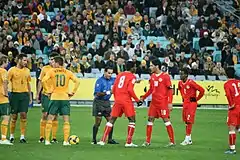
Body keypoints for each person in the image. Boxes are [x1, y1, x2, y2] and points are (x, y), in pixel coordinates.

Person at [97, 61, 143, 147]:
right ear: (132, 68)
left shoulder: (119, 75)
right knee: (132, 120)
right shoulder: (132, 76)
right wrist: (137, 100)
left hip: (117, 100)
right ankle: (129, 142)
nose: (136, 68)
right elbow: (130, 90)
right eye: (135, 67)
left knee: (111, 120)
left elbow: (114, 88)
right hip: (126, 101)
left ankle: (102, 140)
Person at [42, 56, 80, 146]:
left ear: (58, 63)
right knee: (66, 120)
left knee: (50, 118)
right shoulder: (68, 72)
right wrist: (72, 92)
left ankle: (47, 140)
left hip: (54, 97)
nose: (52, 64)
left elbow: (43, 80)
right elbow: (77, 81)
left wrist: (47, 91)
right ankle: (66, 141)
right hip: (65, 98)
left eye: (54, 62)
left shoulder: (51, 71)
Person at [140, 59, 175, 147]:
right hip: (154, 103)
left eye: (151, 65)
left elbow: (170, 90)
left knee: (166, 120)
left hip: (162, 103)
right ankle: (147, 141)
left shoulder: (165, 77)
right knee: (150, 119)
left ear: (157, 66)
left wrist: (170, 102)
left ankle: (172, 141)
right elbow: (151, 89)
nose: (150, 67)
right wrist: (144, 97)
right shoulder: (152, 76)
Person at [8, 54, 32, 143]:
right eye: (24, 60)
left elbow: (28, 84)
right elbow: (6, 82)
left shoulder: (27, 71)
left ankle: (22, 136)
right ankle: (11, 135)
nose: (26, 62)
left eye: (26, 60)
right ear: (19, 60)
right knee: (14, 116)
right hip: (15, 95)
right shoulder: (12, 70)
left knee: (23, 115)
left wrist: (30, 96)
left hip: (24, 95)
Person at [36, 52, 59, 143]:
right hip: (46, 95)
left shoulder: (59, 70)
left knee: (55, 116)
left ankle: (53, 137)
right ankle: (42, 136)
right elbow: (40, 82)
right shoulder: (45, 69)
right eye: (50, 59)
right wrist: (38, 94)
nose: (51, 61)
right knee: (45, 114)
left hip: (56, 95)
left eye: (53, 59)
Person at [92, 66, 118, 144]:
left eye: (111, 73)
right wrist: (108, 92)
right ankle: (94, 139)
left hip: (107, 102)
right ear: (104, 72)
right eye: (108, 73)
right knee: (98, 122)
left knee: (111, 121)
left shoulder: (113, 80)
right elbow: (97, 94)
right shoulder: (99, 81)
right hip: (99, 102)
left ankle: (110, 139)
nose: (110, 75)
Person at [178, 68, 205, 145]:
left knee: (189, 121)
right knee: (186, 121)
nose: (180, 75)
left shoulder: (191, 82)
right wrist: (183, 97)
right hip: (185, 103)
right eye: (180, 74)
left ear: (186, 75)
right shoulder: (180, 83)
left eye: (182, 74)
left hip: (191, 103)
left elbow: (202, 90)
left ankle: (187, 138)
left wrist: (196, 99)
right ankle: (189, 139)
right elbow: (180, 89)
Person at [224, 67, 240, 154]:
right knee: (238, 127)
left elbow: (229, 95)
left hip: (234, 109)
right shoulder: (238, 82)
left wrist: (231, 105)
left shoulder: (227, 84)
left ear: (226, 74)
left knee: (231, 128)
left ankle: (232, 149)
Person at [0, 56, 12, 145]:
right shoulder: (3, 71)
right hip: (2, 97)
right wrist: (6, 93)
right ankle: (3, 139)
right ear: (4, 62)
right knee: (6, 117)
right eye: (7, 62)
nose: (8, 63)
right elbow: (4, 82)